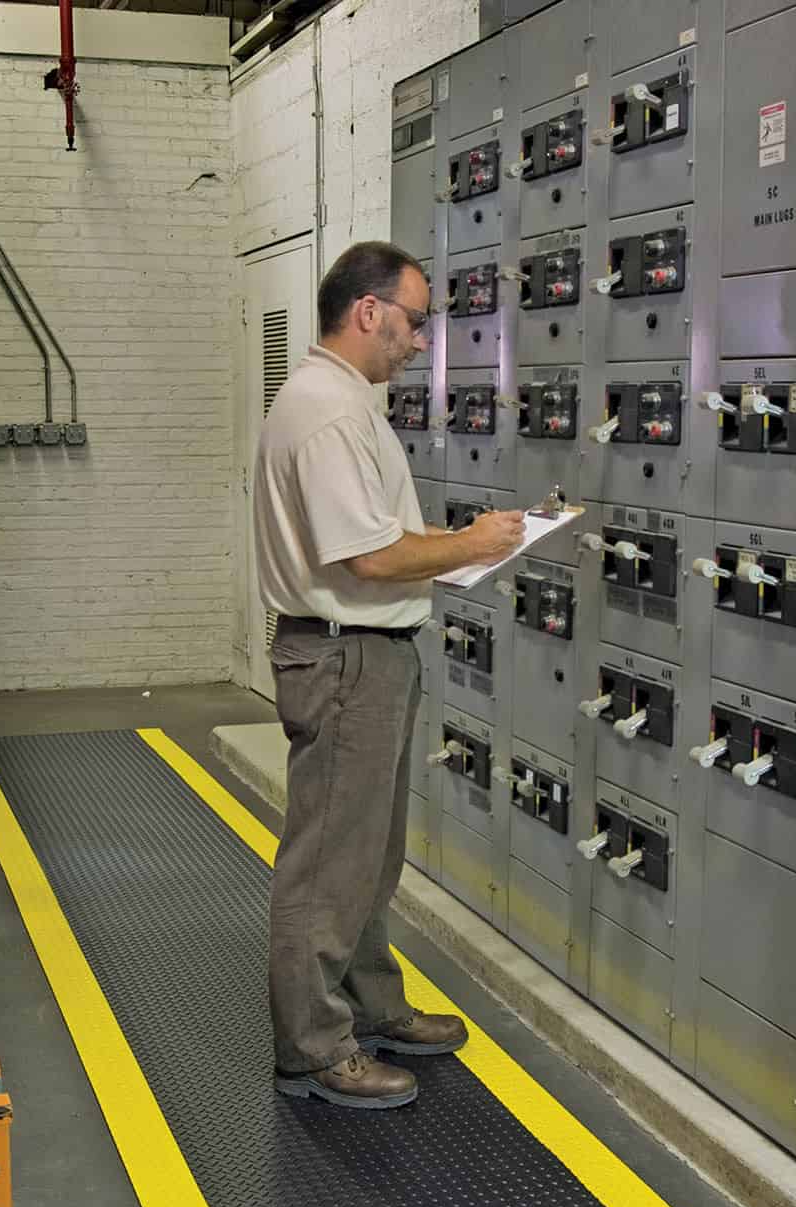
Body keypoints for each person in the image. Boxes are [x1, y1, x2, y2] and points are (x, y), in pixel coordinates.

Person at [253, 240, 525, 1110]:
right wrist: (475, 544)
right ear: (368, 311)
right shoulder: (328, 412)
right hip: (346, 653)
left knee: (370, 852)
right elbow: (367, 558)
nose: (419, 341)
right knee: (331, 860)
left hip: (367, 652)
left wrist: (453, 550)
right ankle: (315, 1048)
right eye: (413, 321)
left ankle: (369, 1004)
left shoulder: (343, 403)